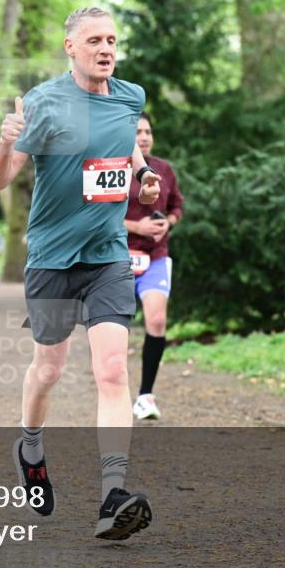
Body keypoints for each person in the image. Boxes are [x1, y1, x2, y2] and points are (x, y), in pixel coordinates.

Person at [0, 7, 161, 540]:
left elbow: (125, 138)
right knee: (49, 370)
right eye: (94, 40)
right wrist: (5, 140)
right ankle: (30, 447)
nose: (105, 49)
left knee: (112, 371)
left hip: (107, 256)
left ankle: (113, 495)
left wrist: (144, 172)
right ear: (70, 47)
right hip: (52, 259)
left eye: (111, 40)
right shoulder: (45, 103)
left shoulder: (131, 96)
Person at [125, 112, 183, 420]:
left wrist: (167, 223)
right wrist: (137, 227)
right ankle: (113, 391)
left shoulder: (164, 170)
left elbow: (176, 205)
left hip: (156, 257)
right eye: (137, 132)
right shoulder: (115, 169)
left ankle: (145, 396)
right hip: (117, 257)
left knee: (157, 321)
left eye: (148, 131)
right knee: (115, 330)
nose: (144, 136)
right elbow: (97, 216)